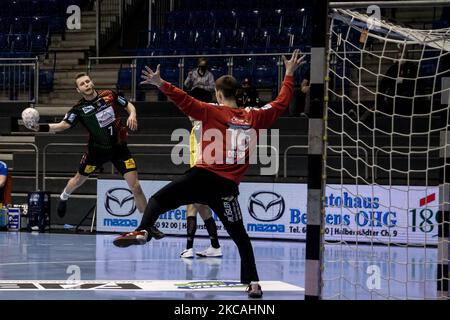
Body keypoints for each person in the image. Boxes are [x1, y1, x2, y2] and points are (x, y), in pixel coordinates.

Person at [113, 49, 305, 298]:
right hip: (227, 188)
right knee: (240, 237)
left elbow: (184, 100)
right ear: (238, 93)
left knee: (158, 201)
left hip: (201, 178)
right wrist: (289, 73)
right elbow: (281, 103)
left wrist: (161, 83)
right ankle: (254, 283)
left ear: (217, 94)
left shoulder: (211, 110)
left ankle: (144, 229)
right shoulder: (256, 116)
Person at [25, 73, 164, 239]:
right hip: (96, 151)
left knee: (136, 187)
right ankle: (64, 196)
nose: (86, 84)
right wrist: (38, 128)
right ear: (78, 90)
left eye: (87, 81)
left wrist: (132, 115)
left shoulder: (109, 95)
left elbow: (129, 105)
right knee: (78, 180)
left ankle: (149, 225)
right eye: (82, 84)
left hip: (119, 148)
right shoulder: (79, 109)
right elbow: (62, 126)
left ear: (92, 82)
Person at [180, 117, 222, 259]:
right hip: (202, 173)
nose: (189, 114)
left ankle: (189, 248)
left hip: (199, 173)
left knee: (192, 208)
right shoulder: (201, 126)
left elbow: (202, 152)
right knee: (203, 210)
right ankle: (215, 246)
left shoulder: (199, 128)